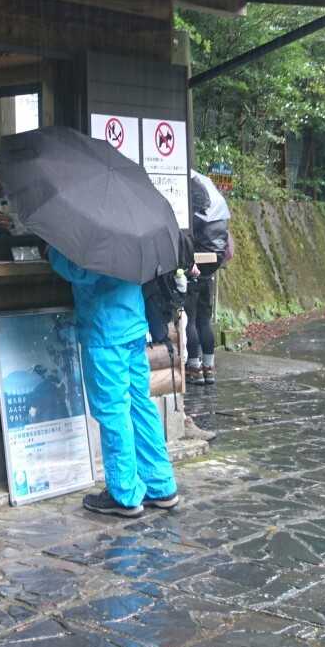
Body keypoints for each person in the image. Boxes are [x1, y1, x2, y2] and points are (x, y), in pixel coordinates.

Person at [48, 247, 180, 517]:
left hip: (105, 329)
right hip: (134, 323)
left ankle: (124, 493)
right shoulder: (130, 231)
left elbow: (80, 270)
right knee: (140, 404)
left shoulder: (95, 235)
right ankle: (160, 485)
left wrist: (51, 251)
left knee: (113, 411)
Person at [186, 170, 231, 385]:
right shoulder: (217, 212)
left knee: (190, 319)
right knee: (204, 320)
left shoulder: (191, 214)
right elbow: (227, 248)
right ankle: (209, 368)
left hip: (191, 269)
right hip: (211, 269)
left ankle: (194, 368)